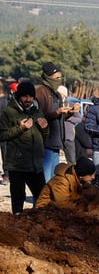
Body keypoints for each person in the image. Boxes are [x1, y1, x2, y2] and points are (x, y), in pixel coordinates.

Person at [0, 81, 49, 215]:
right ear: (19, 96)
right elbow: (2, 135)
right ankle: (17, 224)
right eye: (25, 96)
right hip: (17, 164)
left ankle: (41, 224)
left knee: (42, 198)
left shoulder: (37, 110)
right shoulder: (8, 112)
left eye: (31, 96)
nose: (28, 99)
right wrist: (20, 128)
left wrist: (45, 128)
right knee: (18, 200)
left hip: (36, 164)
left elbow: (45, 135)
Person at [35, 62, 79, 182]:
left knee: (53, 178)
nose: (59, 80)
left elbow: (59, 118)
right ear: (48, 77)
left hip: (56, 142)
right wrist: (57, 112)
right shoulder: (41, 92)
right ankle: (41, 200)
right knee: (45, 176)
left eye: (60, 78)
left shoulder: (56, 94)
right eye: (56, 78)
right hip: (45, 142)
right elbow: (38, 118)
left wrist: (70, 112)